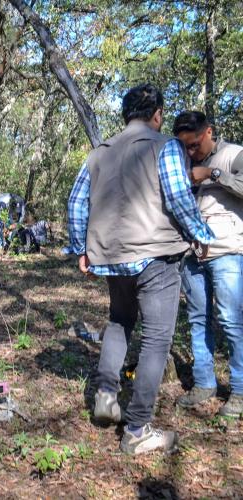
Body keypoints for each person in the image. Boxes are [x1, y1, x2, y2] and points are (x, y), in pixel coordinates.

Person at [68, 84, 214, 454]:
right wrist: (200, 233)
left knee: (119, 321)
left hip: (112, 259)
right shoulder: (163, 145)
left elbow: (76, 202)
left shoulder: (99, 153)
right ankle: (137, 429)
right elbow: (179, 197)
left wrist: (80, 248)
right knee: (157, 339)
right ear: (157, 114)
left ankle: (105, 396)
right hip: (156, 256)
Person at [173, 111, 243, 418]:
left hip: (228, 251)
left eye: (193, 145)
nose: (190, 152)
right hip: (193, 254)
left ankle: (239, 391)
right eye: (184, 147)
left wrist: (213, 174)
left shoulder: (234, 155)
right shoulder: (182, 163)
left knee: (230, 321)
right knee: (198, 320)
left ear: (208, 132)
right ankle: (204, 383)